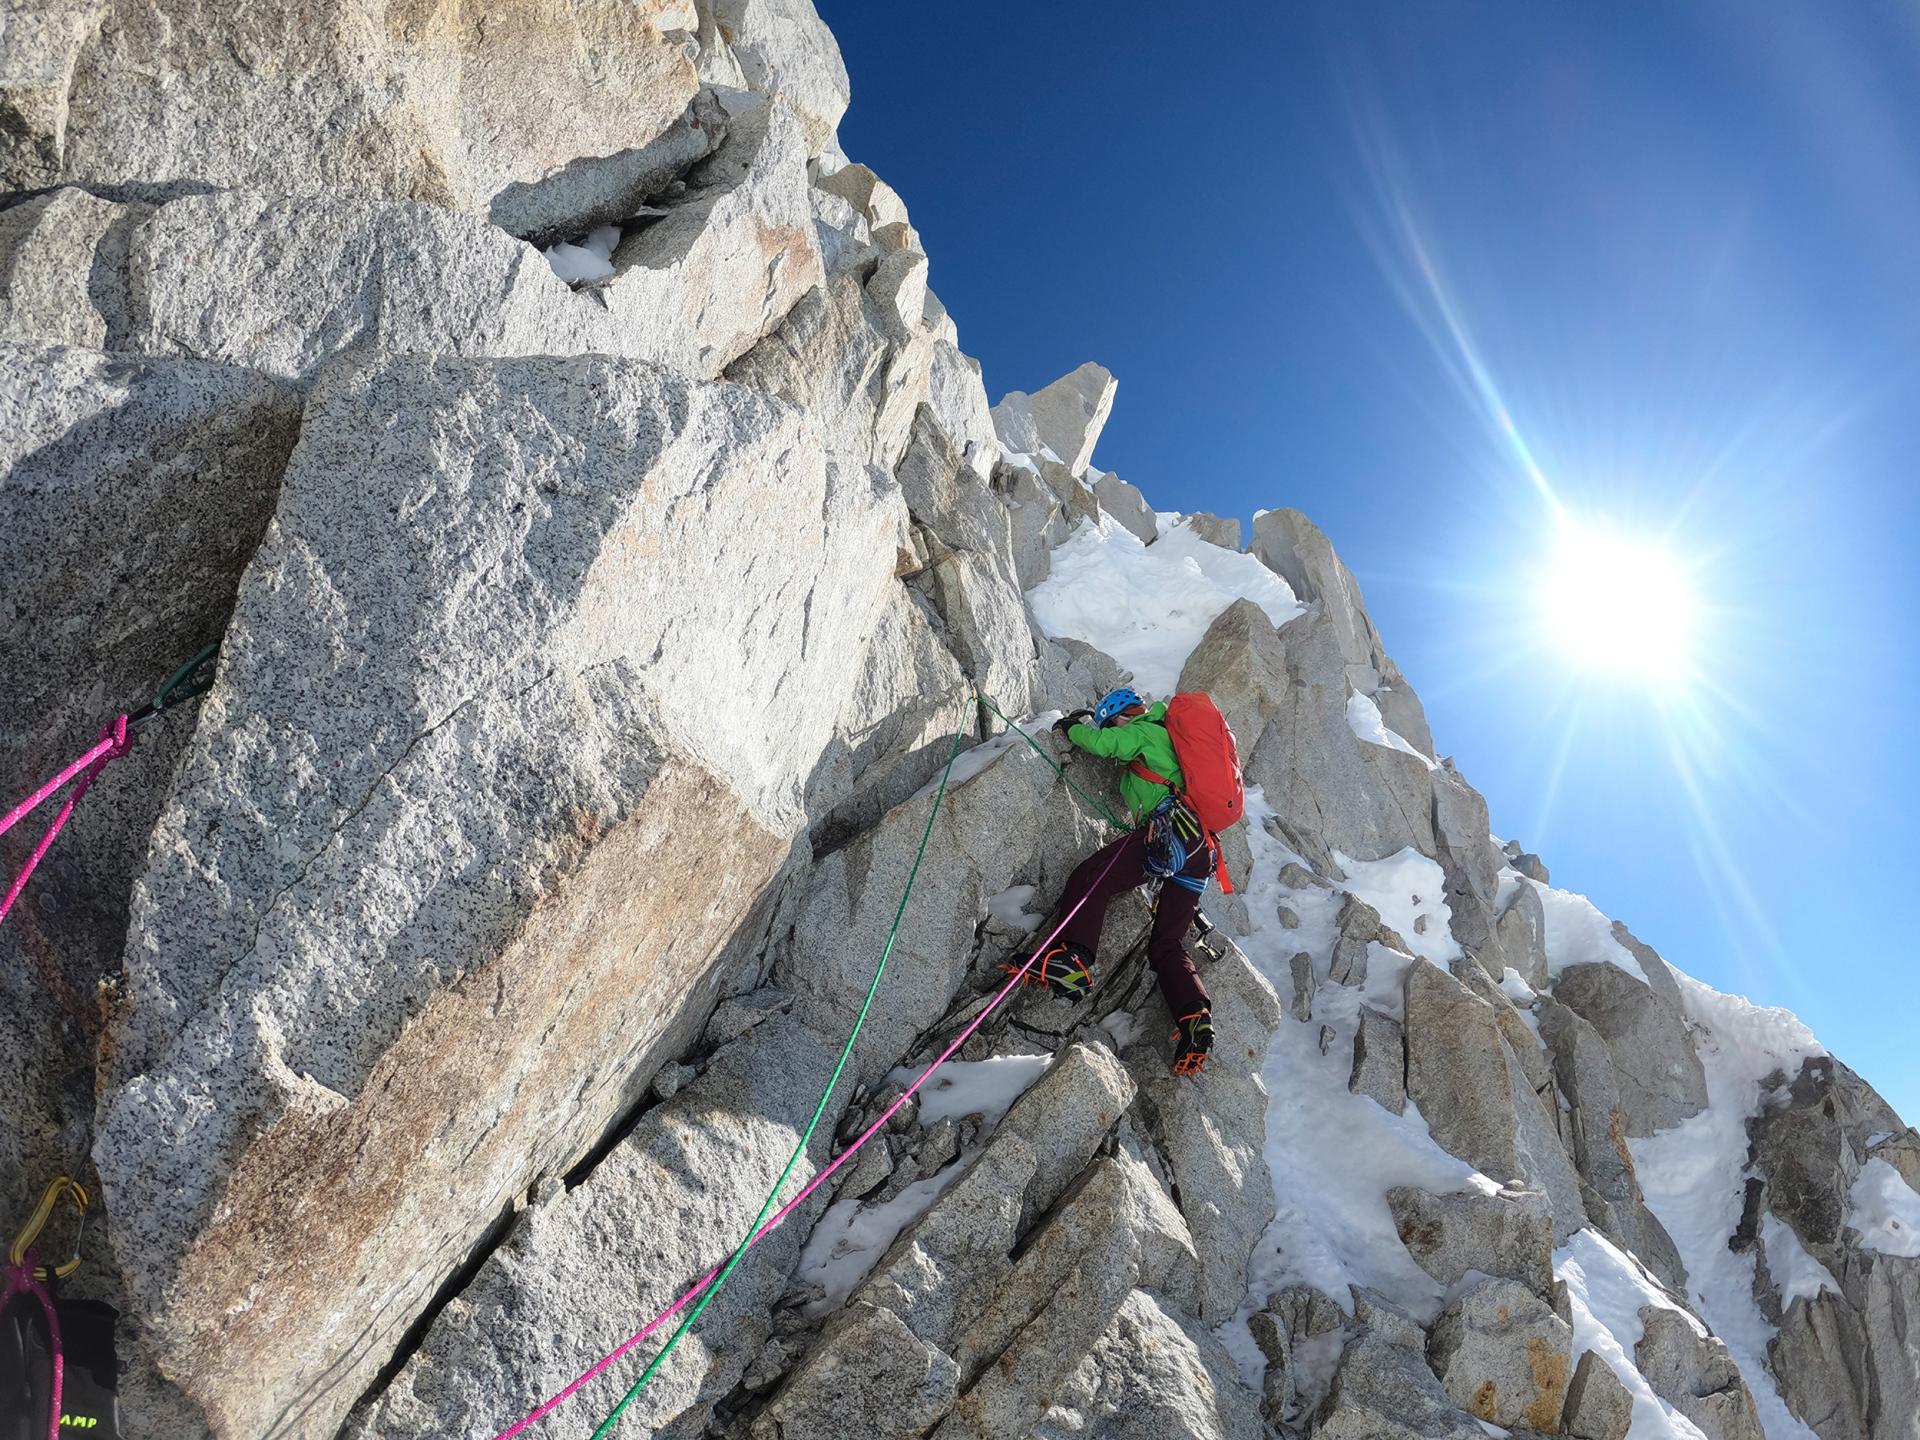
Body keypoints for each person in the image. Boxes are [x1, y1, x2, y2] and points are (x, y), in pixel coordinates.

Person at [1023, 686, 1216, 1076]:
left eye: (1112, 721)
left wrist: (1074, 728)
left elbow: (1102, 743)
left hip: (1172, 834)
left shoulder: (1145, 729)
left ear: (1124, 715)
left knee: (1091, 877)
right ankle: (1194, 1017)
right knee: (1166, 943)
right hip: (1199, 852)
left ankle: (1074, 960)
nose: (1111, 728)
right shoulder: (1165, 742)